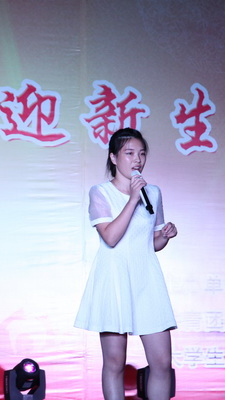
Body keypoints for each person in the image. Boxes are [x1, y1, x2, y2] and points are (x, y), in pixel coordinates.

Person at [74, 128, 178, 400]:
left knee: (162, 363)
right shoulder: (101, 192)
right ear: (113, 157)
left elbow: (150, 243)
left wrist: (164, 236)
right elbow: (111, 237)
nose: (137, 160)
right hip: (114, 278)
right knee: (114, 362)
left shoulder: (153, 192)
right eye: (129, 153)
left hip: (146, 279)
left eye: (142, 154)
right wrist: (132, 199)